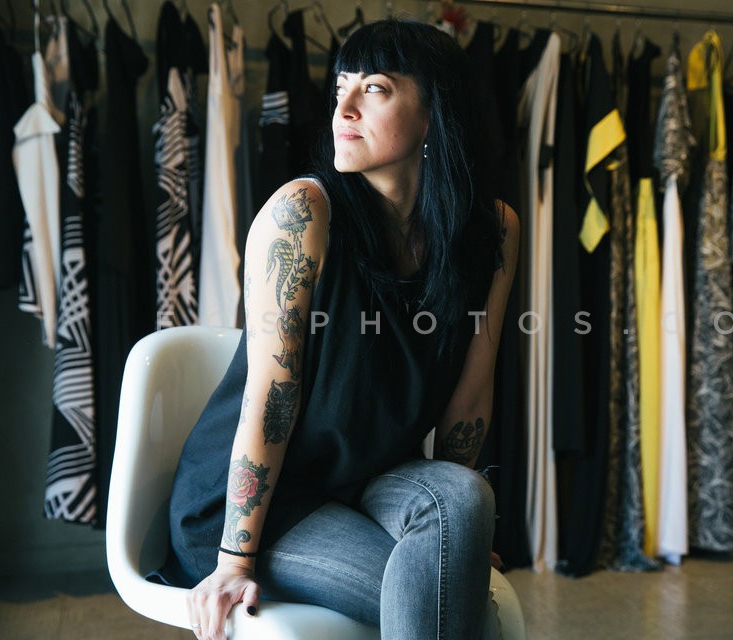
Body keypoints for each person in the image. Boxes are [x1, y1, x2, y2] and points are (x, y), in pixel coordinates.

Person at [160, 18, 519, 640]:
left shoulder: (494, 231)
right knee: (444, 604)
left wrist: (457, 539)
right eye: (340, 88)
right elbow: (271, 398)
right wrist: (234, 561)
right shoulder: (303, 214)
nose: (343, 108)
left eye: (374, 88)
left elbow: (471, 393)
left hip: (364, 480)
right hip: (255, 507)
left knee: (464, 503)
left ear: (434, 113)